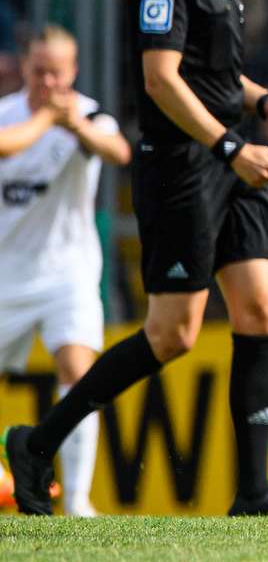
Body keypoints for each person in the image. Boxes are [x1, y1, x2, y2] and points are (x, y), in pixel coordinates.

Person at [2, 0, 268, 518]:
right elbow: (160, 78)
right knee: (173, 333)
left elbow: (208, 73)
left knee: (260, 306)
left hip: (225, 158)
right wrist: (232, 146)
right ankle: (37, 443)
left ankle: (254, 493)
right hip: (183, 165)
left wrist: (262, 99)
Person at [0, 27, 131, 517]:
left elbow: (118, 153)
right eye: (39, 71)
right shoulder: (8, 115)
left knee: (78, 372)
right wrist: (48, 121)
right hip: (6, 275)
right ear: (25, 68)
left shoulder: (91, 115)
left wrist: (73, 125)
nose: (47, 81)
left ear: (73, 71)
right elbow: (7, 146)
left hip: (67, 274)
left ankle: (77, 498)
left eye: (57, 72)